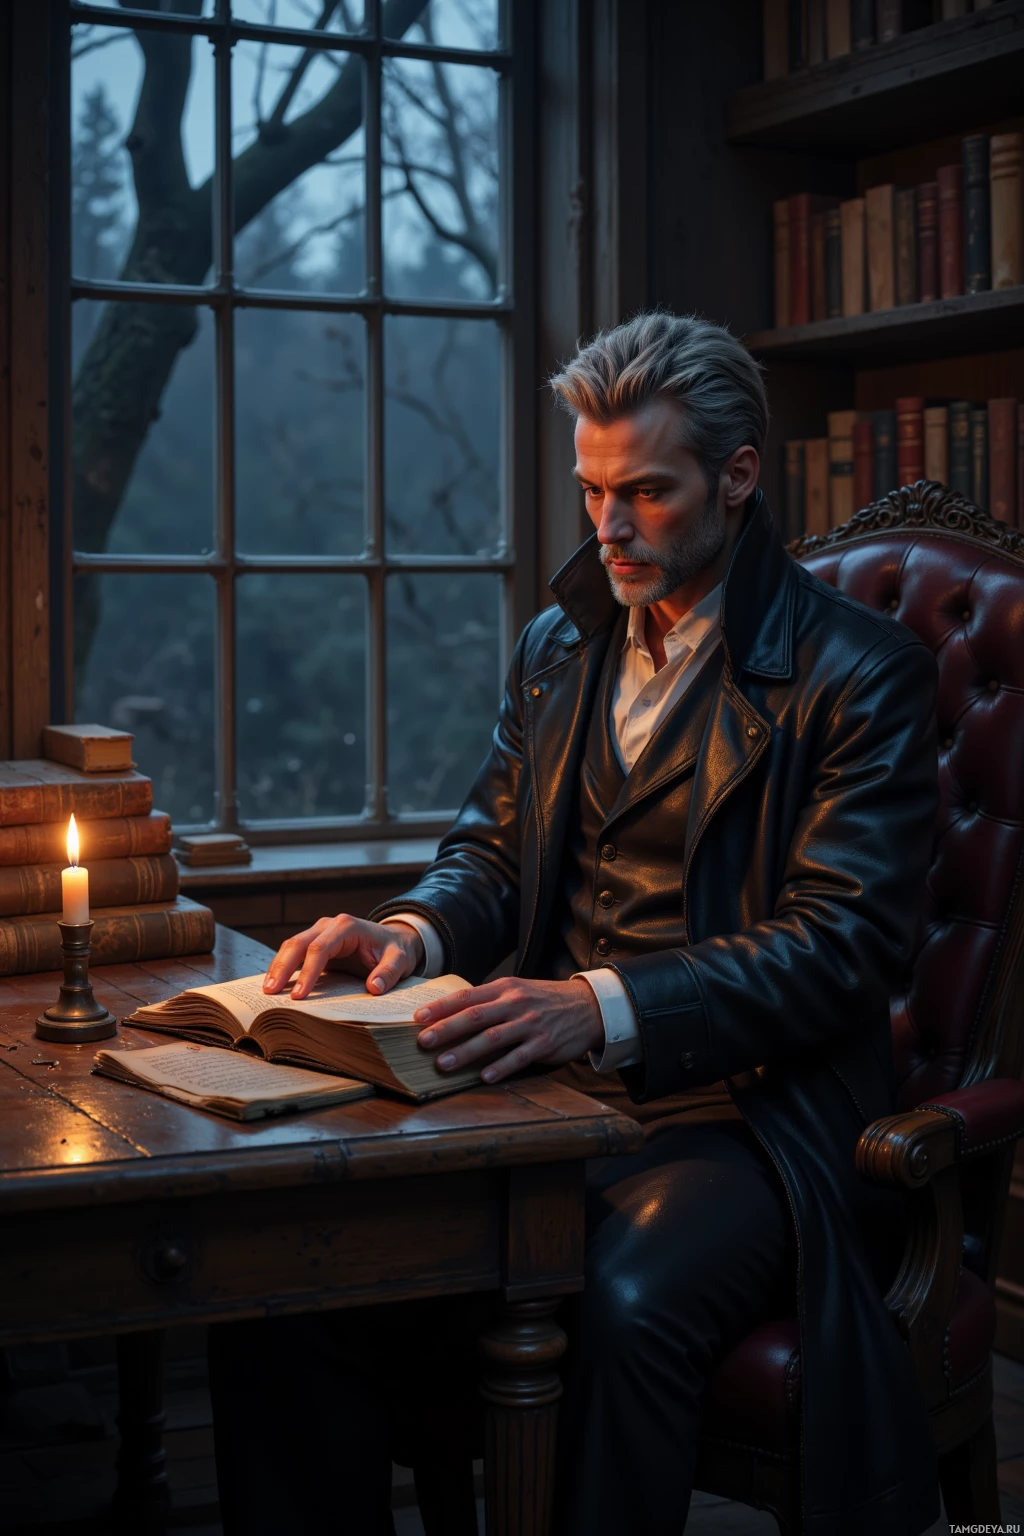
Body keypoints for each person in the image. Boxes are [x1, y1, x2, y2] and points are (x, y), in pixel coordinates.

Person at [209, 312, 942, 1535]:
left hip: (751, 1119)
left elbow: (844, 944)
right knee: (291, 1282)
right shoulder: (561, 642)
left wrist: (595, 1008)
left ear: (738, 475)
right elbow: (490, 848)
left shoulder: (860, 673)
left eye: (645, 493)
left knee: (614, 1299)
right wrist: (414, 936)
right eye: (593, 489)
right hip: (534, 1102)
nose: (605, 528)